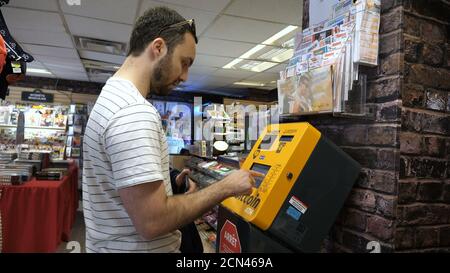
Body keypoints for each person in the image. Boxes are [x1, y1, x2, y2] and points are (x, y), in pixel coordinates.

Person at [82, 6, 260, 253]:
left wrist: (168, 186)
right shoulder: (133, 112)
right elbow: (152, 222)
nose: (185, 76)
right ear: (158, 48)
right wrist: (225, 187)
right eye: (184, 62)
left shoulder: (112, 97)